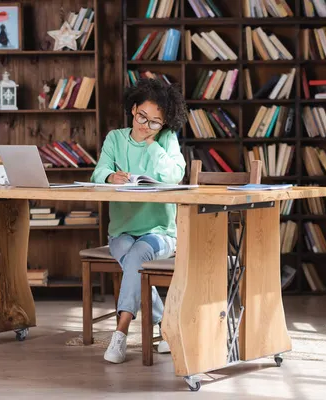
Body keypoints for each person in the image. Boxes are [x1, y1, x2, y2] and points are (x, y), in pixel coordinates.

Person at [90, 78, 187, 364]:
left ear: (164, 124)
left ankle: (119, 334)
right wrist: (110, 176)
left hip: (160, 232)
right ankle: (164, 324)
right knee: (134, 261)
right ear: (133, 109)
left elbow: (175, 176)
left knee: (136, 258)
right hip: (121, 230)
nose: (146, 125)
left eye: (155, 122)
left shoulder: (166, 139)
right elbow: (99, 173)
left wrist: (153, 144)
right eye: (142, 117)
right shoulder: (115, 138)